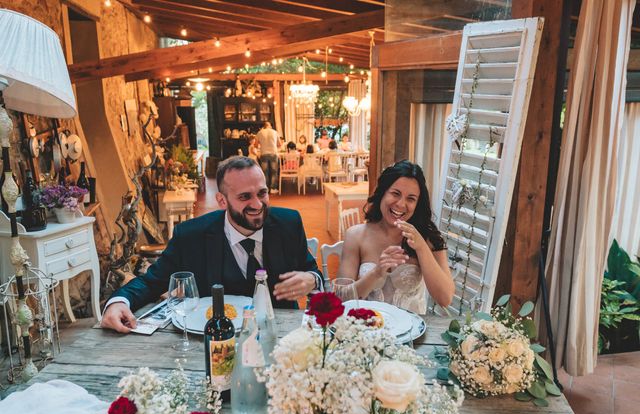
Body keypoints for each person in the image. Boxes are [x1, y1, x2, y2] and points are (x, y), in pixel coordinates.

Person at [101, 156, 323, 333]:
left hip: (277, 335)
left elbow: (313, 272)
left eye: (262, 193)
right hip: (211, 338)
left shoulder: (288, 223)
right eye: (245, 197)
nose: (257, 204)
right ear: (222, 201)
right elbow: (152, 282)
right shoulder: (191, 236)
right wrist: (119, 301)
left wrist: (312, 280)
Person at [338, 160, 454, 314]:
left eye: (411, 199)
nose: (400, 204)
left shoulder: (428, 238)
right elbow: (340, 299)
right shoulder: (356, 235)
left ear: (417, 204)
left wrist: (421, 247)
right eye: (395, 193)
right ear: (382, 193)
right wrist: (376, 273)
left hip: (412, 334)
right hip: (367, 331)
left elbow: (444, 299)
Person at [255, 121, 282, 194]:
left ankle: (265, 189)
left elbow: (255, 145)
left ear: (264, 126)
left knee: (264, 172)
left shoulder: (259, 133)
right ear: (269, 126)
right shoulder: (275, 132)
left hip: (264, 154)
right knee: (274, 172)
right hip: (273, 153)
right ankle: (273, 189)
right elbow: (279, 144)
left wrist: (262, 144)